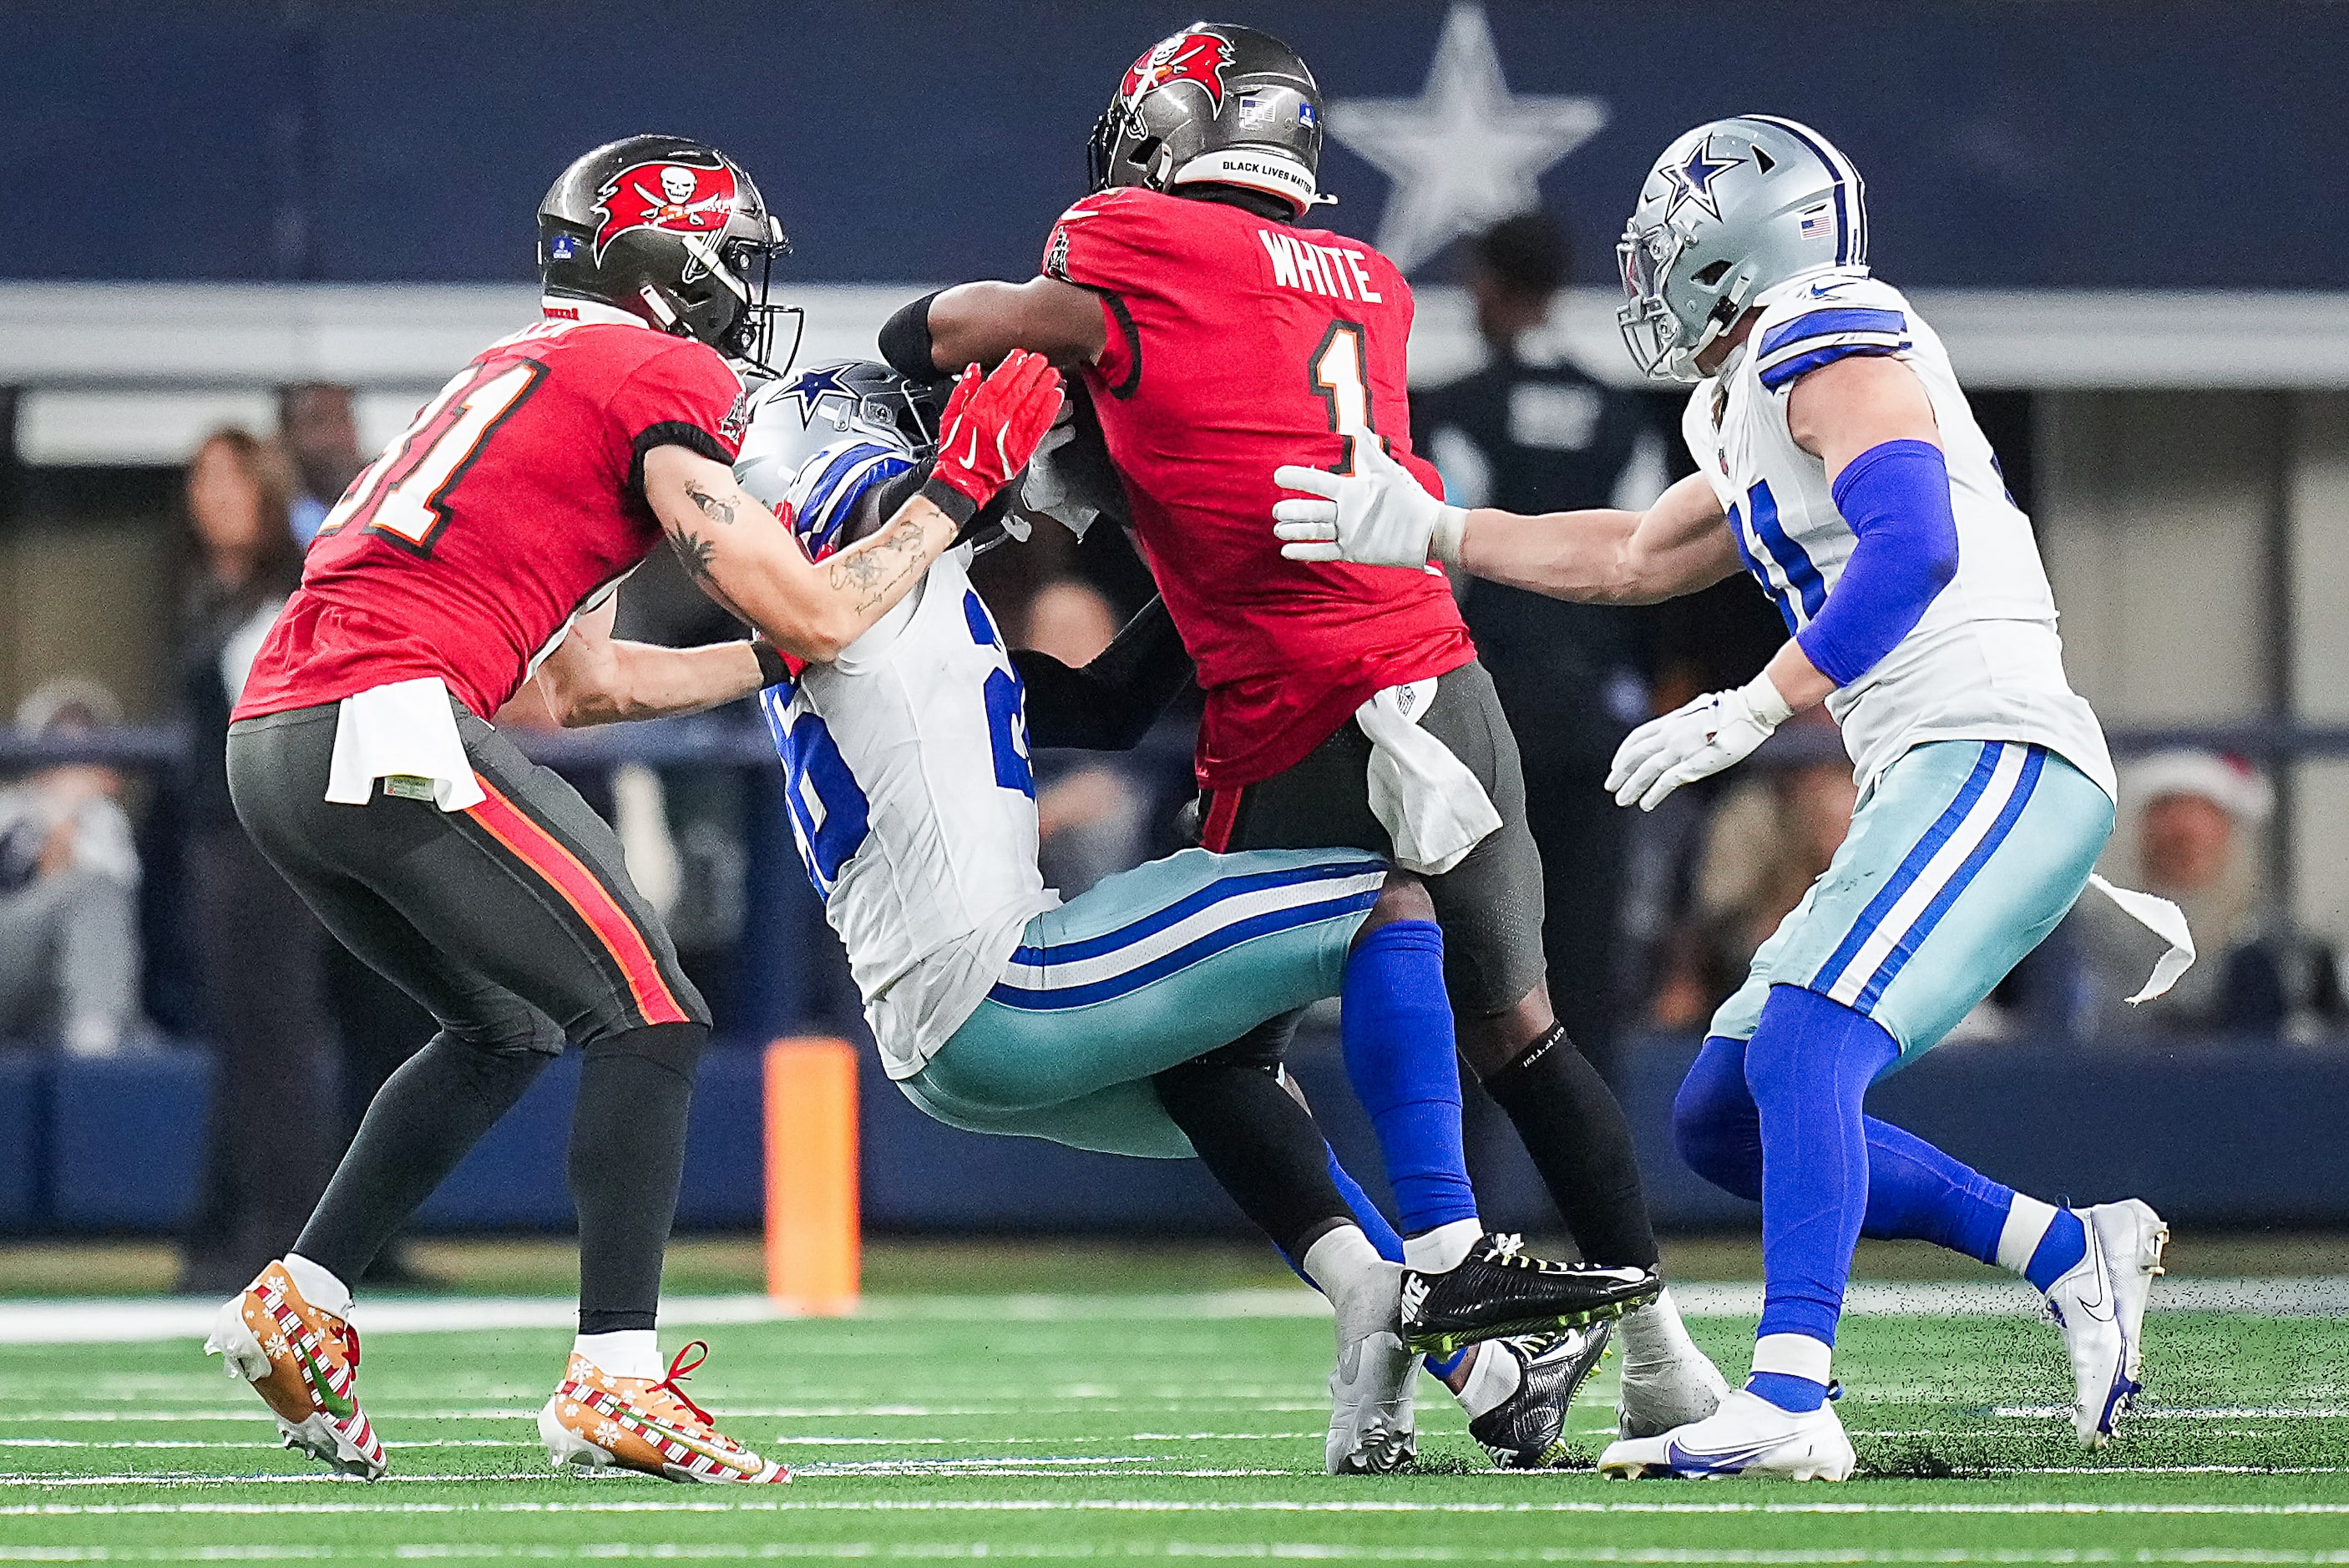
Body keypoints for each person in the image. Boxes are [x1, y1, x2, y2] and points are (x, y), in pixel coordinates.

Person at [1268, 115, 2195, 1477]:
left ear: (1741, 244)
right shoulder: (1751, 389)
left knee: (1807, 1040)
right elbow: (1638, 554)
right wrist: (1434, 528)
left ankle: (1791, 1392)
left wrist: (1755, 703)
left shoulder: (1826, 325)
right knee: (1721, 1111)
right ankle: (2068, 1246)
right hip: (1925, 769)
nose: (1651, 267)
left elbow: (1914, 542)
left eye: (1673, 238)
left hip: (1992, 746)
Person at [878, 21, 1724, 1441]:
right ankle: (1665, 1358)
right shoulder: (1375, 281)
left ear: (1170, 136)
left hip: (1298, 704)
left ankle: (1423, 1281)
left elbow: (948, 328)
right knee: (1522, 1031)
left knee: (1216, 1059)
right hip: (1435, 670)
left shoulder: (1125, 239)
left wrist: (936, 374)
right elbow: (1246, 465)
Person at [202, 133, 1064, 1486]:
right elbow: (819, 603)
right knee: (650, 1012)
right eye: (735, 252)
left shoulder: (529, 368)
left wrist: (787, 651)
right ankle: (615, 1375)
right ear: (669, 259)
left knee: (504, 1023)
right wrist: (952, 495)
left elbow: (572, 686)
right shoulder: (651, 369)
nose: (746, 286)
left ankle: (303, 1298)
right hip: (385, 715)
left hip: (283, 735)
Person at [726, 362, 1655, 1473]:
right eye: (912, 429)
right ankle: (1450, 1251)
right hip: (1005, 984)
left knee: (1233, 1079)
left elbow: (1108, 703)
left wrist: (1218, 553)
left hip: (948, 1038)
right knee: (1390, 896)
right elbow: (882, 509)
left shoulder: (901, 619)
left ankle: (1442, 1353)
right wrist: (965, 462)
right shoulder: (853, 546)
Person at [1412, 213, 1663, 1066]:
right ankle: (1591, 1194)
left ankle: (1461, 1188)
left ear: (1485, 284)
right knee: (1586, 962)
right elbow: (1652, 566)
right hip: (1596, 722)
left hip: (1487, 717)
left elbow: (1439, 567)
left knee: (1477, 958)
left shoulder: (1454, 410)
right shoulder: (1618, 415)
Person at [166, 428, 347, 1295]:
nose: (215, 498)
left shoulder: (289, 588)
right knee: (245, 1040)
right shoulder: (213, 591)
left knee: (278, 1040)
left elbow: (285, 726)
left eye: (233, 482)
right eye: (204, 483)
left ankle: (286, 1236)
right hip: (219, 840)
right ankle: (231, 1227)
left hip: (268, 844)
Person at [2070, 751, 2337, 1035]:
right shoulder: (2082, 939)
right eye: (2168, 809)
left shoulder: (2286, 951)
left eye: (2204, 811)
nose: (2185, 829)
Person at [0, 678, 143, 1056]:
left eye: (87, 745)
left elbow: (105, 904)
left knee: (139, 1041)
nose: (76, 757)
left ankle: (94, 1059)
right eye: (62, 743)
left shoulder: (104, 820)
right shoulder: (7, 808)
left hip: (56, 998)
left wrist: (74, 821)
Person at [277, 382, 367, 546]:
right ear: (288, 435)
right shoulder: (271, 519)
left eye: (342, 418)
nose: (334, 437)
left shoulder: (381, 503)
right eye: (318, 421)